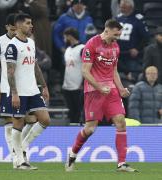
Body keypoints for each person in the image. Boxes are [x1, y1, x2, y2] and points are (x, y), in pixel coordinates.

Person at [65, 19, 138, 172]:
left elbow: (114, 71)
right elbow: (85, 71)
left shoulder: (115, 47)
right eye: (115, 34)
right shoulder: (91, 44)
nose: (117, 38)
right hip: (93, 91)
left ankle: (122, 163)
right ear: (107, 30)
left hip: (110, 91)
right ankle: (72, 154)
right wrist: (99, 86)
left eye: (119, 35)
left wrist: (120, 89)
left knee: (121, 122)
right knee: (90, 129)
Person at [5, 13, 50, 170]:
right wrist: (15, 93)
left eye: (31, 23)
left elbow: (35, 66)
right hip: (20, 92)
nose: (31, 25)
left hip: (33, 90)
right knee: (18, 123)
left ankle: (23, 146)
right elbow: (10, 72)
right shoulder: (12, 46)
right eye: (28, 23)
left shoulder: (31, 42)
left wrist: (43, 86)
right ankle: (20, 161)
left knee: (45, 119)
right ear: (18, 26)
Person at [0, 13, 17, 166]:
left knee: (30, 119)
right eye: (12, 28)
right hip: (6, 87)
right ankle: (15, 155)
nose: (14, 31)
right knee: (9, 120)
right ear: (7, 27)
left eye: (16, 28)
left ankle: (20, 151)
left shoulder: (25, 41)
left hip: (25, 88)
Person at [116, 0, 149, 82]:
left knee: (132, 80)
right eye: (121, 7)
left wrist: (137, 49)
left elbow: (146, 37)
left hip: (131, 57)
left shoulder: (138, 19)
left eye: (124, 7)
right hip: (117, 55)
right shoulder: (118, 18)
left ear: (131, 7)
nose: (121, 9)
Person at [62, 27, 84, 123]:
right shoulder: (67, 50)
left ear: (70, 36)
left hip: (78, 86)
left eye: (65, 36)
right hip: (67, 86)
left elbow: (87, 67)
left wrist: (83, 83)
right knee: (71, 112)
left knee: (78, 111)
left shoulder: (82, 49)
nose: (64, 39)